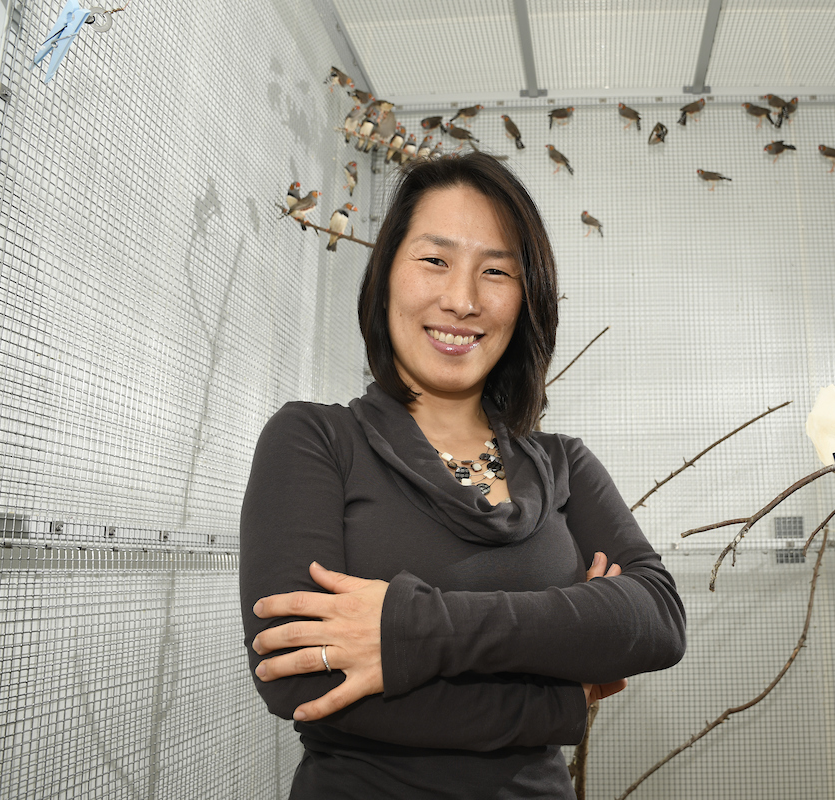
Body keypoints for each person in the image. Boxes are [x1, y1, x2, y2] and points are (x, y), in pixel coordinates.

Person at [239, 151, 687, 799]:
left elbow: (656, 617)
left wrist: (410, 631)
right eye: (434, 260)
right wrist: (557, 702)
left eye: (496, 271)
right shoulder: (314, 440)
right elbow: (301, 679)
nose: (462, 300)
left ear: (525, 296)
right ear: (387, 273)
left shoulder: (562, 465)